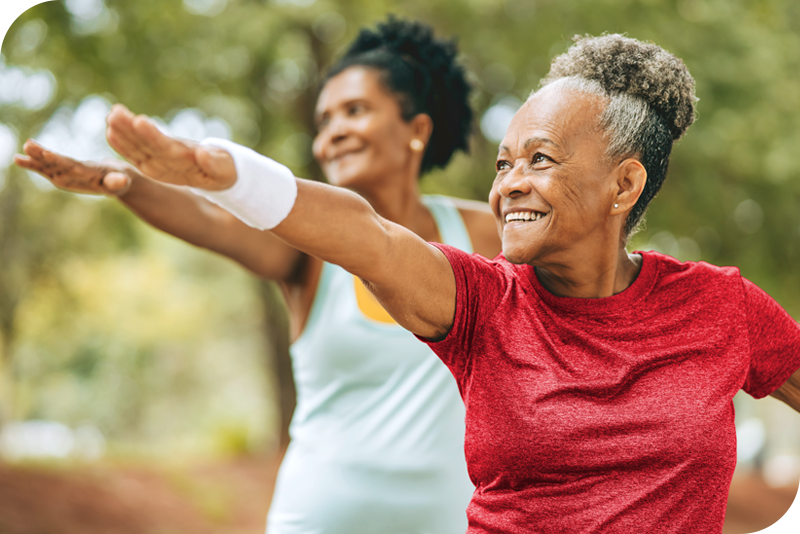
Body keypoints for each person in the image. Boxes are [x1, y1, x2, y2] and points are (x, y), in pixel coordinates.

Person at [82, 33, 800, 533]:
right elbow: (368, 235)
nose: (509, 184)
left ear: (625, 184)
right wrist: (230, 176)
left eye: (540, 159)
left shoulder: (720, 306)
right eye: (503, 164)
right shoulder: (481, 302)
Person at [16, 18, 501, 534]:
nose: (332, 134)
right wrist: (130, 184)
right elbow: (209, 221)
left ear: (417, 130)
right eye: (324, 120)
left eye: (355, 110)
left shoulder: (482, 234)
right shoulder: (309, 252)